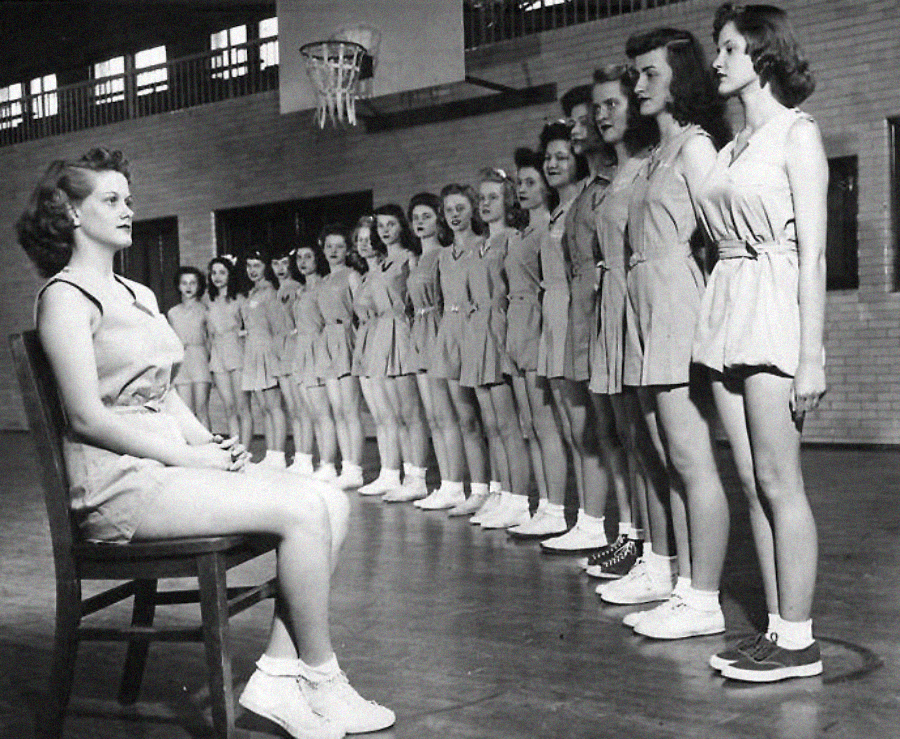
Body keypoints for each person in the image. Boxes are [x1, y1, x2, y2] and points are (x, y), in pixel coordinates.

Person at [17, 147, 394, 738]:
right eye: (110, 200)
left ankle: (276, 674)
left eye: (129, 200)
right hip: (118, 484)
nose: (126, 211)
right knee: (299, 510)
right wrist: (186, 455)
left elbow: (164, 393)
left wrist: (212, 443)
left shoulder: (137, 293)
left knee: (333, 501)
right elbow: (87, 418)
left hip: (168, 464)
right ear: (69, 212)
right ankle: (321, 678)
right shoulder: (64, 298)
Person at [692, 3, 826, 682]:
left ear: (763, 54)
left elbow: (814, 257)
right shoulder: (732, 143)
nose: (717, 61)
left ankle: (800, 641)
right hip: (728, 307)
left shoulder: (796, 135)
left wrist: (812, 354)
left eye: (728, 48)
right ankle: (777, 627)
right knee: (750, 483)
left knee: (780, 480)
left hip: (774, 306)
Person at [598, 28, 731, 642]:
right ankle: (684, 586)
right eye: (636, 75)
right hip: (644, 305)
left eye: (650, 73)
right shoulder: (659, 152)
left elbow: (730, 238)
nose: (639, 84)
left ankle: (705, 599)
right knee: (666, 458)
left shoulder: (697, 148)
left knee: (690, 457)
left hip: (674, 300)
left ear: (681, 76)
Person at [581, 65, 658, 580]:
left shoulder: (651, 166)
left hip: (643, 311)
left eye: (612, 103)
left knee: (651, 445)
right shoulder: (617, 176)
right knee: (629, 439)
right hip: (613, 311)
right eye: (598, 107)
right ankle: (638, 541)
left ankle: (658, 555)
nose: (601, 114)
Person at [539, 87, 613, 555]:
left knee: (603, 432)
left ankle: (607, 524)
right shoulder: (577, 197)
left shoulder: (601, 189)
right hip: (571, 314)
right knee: (582, 429)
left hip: (595, 309)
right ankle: (592, 519)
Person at [504, 148, 570, 540]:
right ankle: (544, 502)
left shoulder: (549, 227)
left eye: (530, 182)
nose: (523, 189)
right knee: (530, 424)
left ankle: (557, 507)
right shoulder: (525, 231)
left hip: (537, 322)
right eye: (519, 183)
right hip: (517, 324)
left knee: (547, 425)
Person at [462, 168, 532, 529]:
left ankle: (520, 499)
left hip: (501, 327)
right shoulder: (478, 245)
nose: (485, 204)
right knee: (491, 424)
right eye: (482, 198)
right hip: (478, 332)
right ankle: (503, 493)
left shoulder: (513, 238)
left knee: (508, 423)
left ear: (507, 200)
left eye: (492, 197)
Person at [430, 184, 492, 515]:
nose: (454, 216)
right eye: (449, 210)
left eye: (460, 209)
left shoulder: (484, 246)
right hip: (449, 334)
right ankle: (475, 489)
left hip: (477, 332)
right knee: (464, 418)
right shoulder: (442, 255)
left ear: (472, 211)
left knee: (485, 418)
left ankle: (495, 490)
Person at [405, 194, 468, 509]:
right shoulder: (415, 259)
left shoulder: (444, 255)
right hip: (420, 331)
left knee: (447, 415)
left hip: (440, 330)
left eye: (427, 216)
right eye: (415, 216)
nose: (420, 222)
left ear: (439, 221)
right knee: (432, 416)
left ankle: (455, 484)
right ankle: (445, 483)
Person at [366, 205, 431, 502]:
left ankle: (419, 477)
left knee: (411, 412)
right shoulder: (379, 264)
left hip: (403, 332)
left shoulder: (409, 258)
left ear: (401, 227)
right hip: (382, 335)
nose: (385, 230)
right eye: (381, 225)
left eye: (391, 224)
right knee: (395, 414)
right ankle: (405, 473)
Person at [314, 226, 365, 489]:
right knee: (336, 410)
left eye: (339, 246)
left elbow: (362, 312)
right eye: (329, 247)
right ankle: (345, 466)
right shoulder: (322, 281)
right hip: (328, 342)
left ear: (347, 250)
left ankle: (355, 468)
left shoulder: (352, 276)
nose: (333, 251)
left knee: (350, 409)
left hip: (347, 337)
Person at [241, 249, 288, 467]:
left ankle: (278, 454)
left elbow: (278, 328)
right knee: (264, 408)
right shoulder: (252, 292)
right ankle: (271, 454)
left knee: (274, 405)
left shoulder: (270, 292)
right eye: (249, 266)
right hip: (252, 352)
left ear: (266, 267)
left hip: (267, 351)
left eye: (257, 266)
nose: (252, 270)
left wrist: (277, 356)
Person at [290, 244, 330, 477]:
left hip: (318, 347)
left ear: (318, 260)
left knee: (323, 411)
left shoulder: (323, 286)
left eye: (308, 257)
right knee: (313, 411)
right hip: (302, 349)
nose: (303, 262)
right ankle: (319, 462)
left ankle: (328, 464)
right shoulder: (301, 290)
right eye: (299, 258)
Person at [207, 255, 252, 448]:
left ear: (230, 275)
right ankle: (235, 448)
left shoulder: (240, 299)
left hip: (238, 353)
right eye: (214, 272)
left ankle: (246, 450)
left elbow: (251, 327)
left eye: (222, 272)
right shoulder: (207, 301)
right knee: (229, 407)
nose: (217, 277)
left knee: (243, 407)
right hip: (218, 356)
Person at [270, 248, 308, 474]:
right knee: (293, 408)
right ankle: (301, 455)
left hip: (293, 348)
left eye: (284, 263)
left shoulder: (295, 288)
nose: (280, 268)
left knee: (301, 407)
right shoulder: (278, 290)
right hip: (281, 350)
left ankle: (305, 455)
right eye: (275, 263)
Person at [167, 265, 211, 429]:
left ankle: (209, 450)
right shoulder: (172, 312)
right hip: (182, 363)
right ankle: (192, 451)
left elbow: (210, 339)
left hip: (200, 360)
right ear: (178, 286)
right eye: (184, 283)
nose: (188, 287)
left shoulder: (205, 310)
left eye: (192, 283)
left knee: (202, 409)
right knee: (186, 411)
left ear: (199, 286)